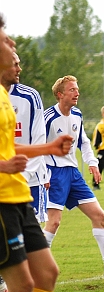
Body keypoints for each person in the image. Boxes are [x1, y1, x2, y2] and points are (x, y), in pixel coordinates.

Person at [0, 13, 77, 292]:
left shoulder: (6, 97)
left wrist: (47, 149)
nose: (15, 50)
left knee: (47, 273)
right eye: (7, 41)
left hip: (18, 197)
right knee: (22, 286)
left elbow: (9, 148)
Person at [43, 75, 104, 278]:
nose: (77, 93)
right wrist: (43, 174)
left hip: (73, 174)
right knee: (54, 222)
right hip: (54, 173)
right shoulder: (48, 117)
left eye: (77, 89)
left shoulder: (77, 114)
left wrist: (92, 162)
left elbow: (83, 141)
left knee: (98, 215)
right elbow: (37, 146)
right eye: (72, 90)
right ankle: (33, 265)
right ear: (60, 94)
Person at [1, 52, 50, 223]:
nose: (19, 69)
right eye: (14, 64)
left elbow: (39, 139)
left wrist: (25, 175)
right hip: (3, 181)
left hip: (30, 180)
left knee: (32, 231)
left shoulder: (30, 96)